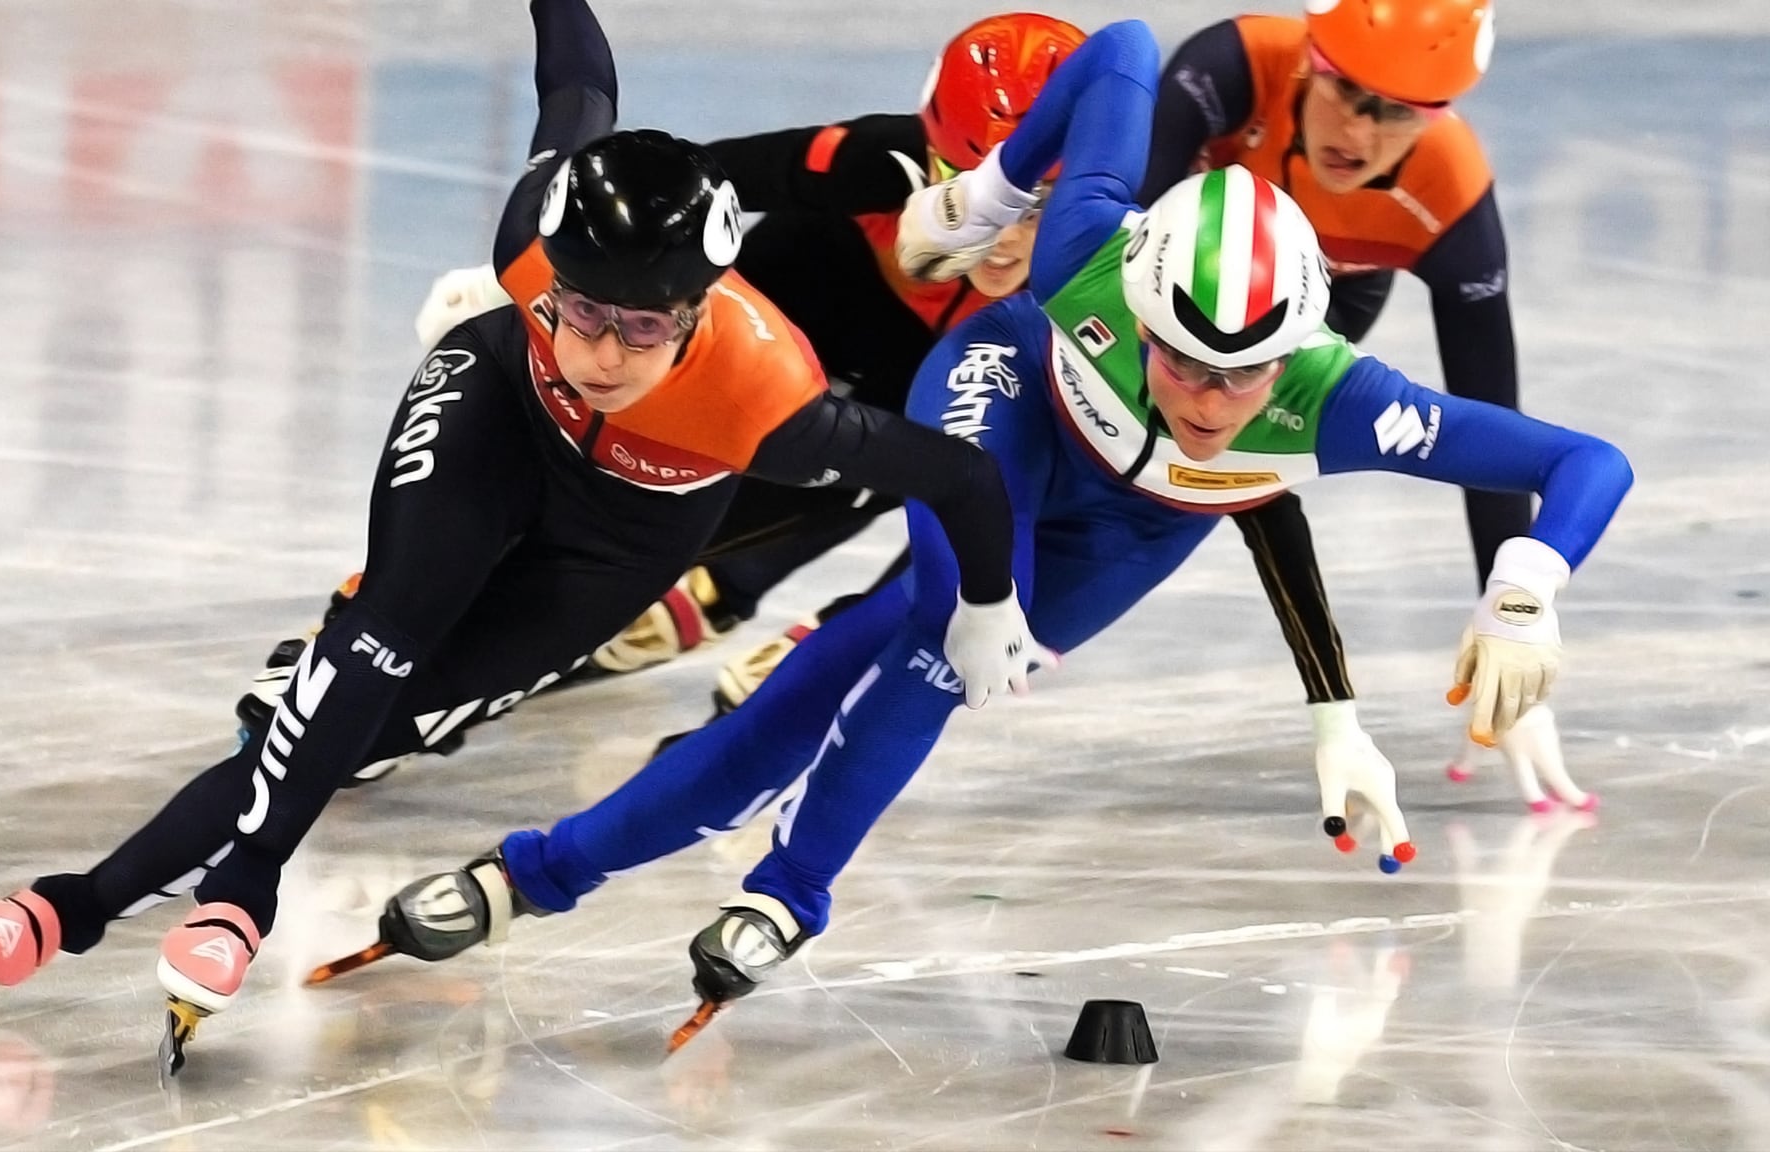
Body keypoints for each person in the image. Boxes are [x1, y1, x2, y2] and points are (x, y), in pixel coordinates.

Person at [364, 16, 1632, 1033]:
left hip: (1125, 535)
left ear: (1292, 356)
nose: (1200, 400)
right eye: (1176, 359)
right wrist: (998, 185)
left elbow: (1585, 459)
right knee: (937, 622)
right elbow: (1124, 46)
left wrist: (1521, 585)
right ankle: (668, 881)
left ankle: (637, 880)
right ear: (1131, 299)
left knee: (876, 669)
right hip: (1008, 399)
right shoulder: (1087, 253)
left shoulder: (1342, 402)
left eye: (1238, 380)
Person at [0, 0, 1046, 1075]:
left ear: (693, 310)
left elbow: (954, 474)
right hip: (497, 414)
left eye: (639, 328)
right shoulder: (527, 254)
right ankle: (220, 889)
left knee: (376, 716)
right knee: (375, 639)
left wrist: (984, 603)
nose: (602, 350)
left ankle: (79, 903)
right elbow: (578, 87)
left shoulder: (770, 404)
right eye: (581, 312)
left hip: (625, 537)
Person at [270, 13, 1422, 815]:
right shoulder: (880, 163)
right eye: (976, 187)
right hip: (710, 387)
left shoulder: (1119, 269)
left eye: (1041, 201)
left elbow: (1180, 478)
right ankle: (355, 665)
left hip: (835, 450)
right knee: (524, 526)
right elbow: (690, 176)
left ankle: (450, 703)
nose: (1003, 237)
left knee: (672, 602)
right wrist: (538, 269)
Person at [1145, 0, 1586, 807]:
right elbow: (1107, 242)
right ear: (1311, 61)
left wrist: (1509, 622)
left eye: (1399, 114)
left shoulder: (1449, 193)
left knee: (1203, 470)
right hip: (1174, 278)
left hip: (1325, 300)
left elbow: (1488, 428)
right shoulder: (1232, 67)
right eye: (1349, 94)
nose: (1362, 132)